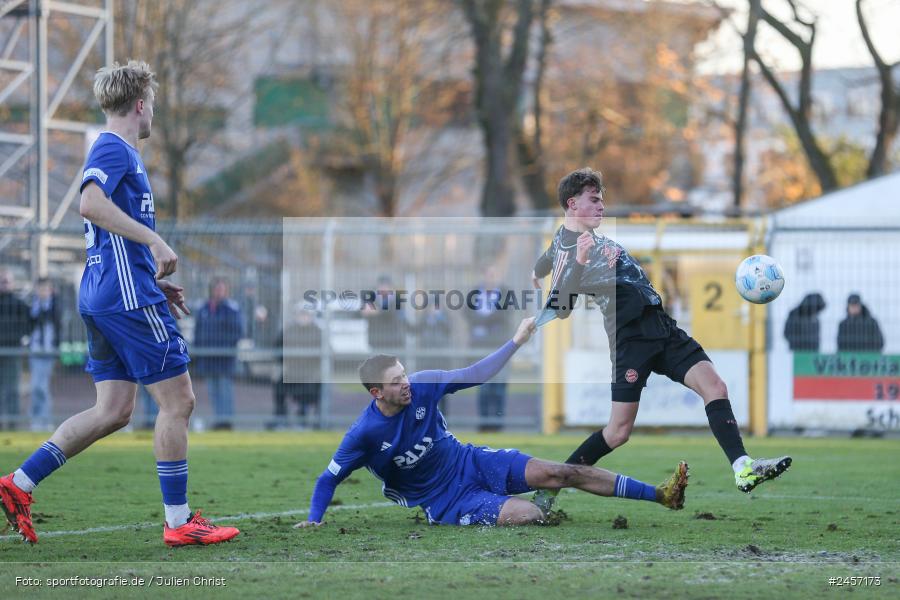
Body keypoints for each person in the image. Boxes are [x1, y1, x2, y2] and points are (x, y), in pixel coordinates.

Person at [0, 61, 238, 546]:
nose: (153, 114)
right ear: (141, 104)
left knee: (113, 410)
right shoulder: (114, 147)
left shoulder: (120, 151)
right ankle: (178, 522)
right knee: (180, 400)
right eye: (153, 105)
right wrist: (153, 241)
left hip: (109, 292)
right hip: (124, 296)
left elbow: (108, 230)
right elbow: (89, 203)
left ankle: (17, 484)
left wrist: (150, 276)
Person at [529, 168, 790, 513]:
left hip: (662, 327)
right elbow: (561, 307)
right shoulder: (569, 246)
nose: (601, 206)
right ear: (572, 203)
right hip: (630, 338)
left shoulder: (579, 239)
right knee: (617, 432)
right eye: (594, 199)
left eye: (602, 199)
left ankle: (743, 467)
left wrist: (537, 268)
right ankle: (554, 483)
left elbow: (547, 260)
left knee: (715, 386)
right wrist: (572, 263)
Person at [294, 317, 689, 528]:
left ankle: (660, 494)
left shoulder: (424, 386)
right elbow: (328, 478)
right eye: (396, 382)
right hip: (445, 500)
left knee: (561, 472)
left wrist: (516, 340)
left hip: (471, 461)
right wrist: (314, 520)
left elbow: (476, 373)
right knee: (530, 516)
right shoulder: (364, 434)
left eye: (404, 374)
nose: (406, 383)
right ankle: (524, 504)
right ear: (376, 393)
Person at [464, 266, 512, 431]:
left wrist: (483, 319)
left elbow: (504, 315)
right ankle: (484, 424)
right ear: (483, 276)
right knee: (483, 387)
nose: (490, 278)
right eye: (488, 275)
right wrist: (486, 319)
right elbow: (467, 313)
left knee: (499, 387)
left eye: (494, 275)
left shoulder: (506, 293)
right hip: (480, 348)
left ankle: (497, 425)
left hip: (500, 347)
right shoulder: (474, 293)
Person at [193, 278, 244, 430]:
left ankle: (226, 421)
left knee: (225, 390)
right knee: (213, 391)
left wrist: (222, 347)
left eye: (222, 289)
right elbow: (198, 331)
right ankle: (219, 419)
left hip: (224, 359)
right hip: (207, 358)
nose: (219, 292)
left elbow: (237, 332)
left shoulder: (232, 309)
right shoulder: (203, 308)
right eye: (217, 289)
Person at [271, 306, 322, 429]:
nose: (303, 317)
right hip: (291, 372)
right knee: (278, 385)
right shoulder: (289, 330)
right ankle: (280, 418)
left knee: (307, 389)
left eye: (306, 315)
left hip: (310, 374)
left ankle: (302, 419)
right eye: (301, 314)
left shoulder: (317, 331)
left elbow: (325, 352)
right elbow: (277, 348)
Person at [0, 269, 31, 431]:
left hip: (12, 351)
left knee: (12, 389)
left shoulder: (19, 304)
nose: (4, 284)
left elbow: (29, 323)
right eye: (2, 281)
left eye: (6, 281)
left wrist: (21, 337)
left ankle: (12, 425)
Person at [28, 278, 61, 431]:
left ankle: (45, 420)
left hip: (48, 351)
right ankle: (36, 420)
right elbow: (30, 322)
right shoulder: (32, 305)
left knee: (42, 387)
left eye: (46, 289)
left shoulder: (55, 306)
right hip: (35, 350)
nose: (43, 292)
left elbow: (54, 320)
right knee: (36, 386)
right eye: (40, 289)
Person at [362, 275, 407, 351]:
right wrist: (364, 311)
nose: (383, 288)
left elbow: (391, 314)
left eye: (386, 286)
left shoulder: (397, 299)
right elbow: (363, 312)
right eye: (381, 286)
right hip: (376, 340)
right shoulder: (372, 300)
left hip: (394, 340)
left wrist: (376, 311)